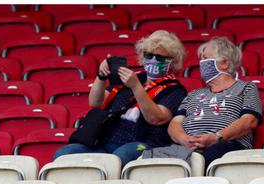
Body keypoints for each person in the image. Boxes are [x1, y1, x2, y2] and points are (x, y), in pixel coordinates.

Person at [54, 30, 187, 165]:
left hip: (143, 144)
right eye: (149, 55)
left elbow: (155, 118)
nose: (153, 60)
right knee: (64, 154)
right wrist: (101, 76)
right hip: (106, 140)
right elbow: (95, 103)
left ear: (173, 62)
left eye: (160, 58)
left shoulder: (176, 91)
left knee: (119, 158)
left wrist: (136, 87)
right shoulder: (129, 78)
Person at [166, 37, 262, 164]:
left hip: (226, 146)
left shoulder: (246, 87)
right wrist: (183, 139)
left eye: (205, 58)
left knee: (210, 155)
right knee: (155, 160)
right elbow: (175, 123)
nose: (201, 63)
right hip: (186, 147)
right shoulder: (193, 94)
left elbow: (249, 121)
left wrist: (217, 137)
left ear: (224, 63)